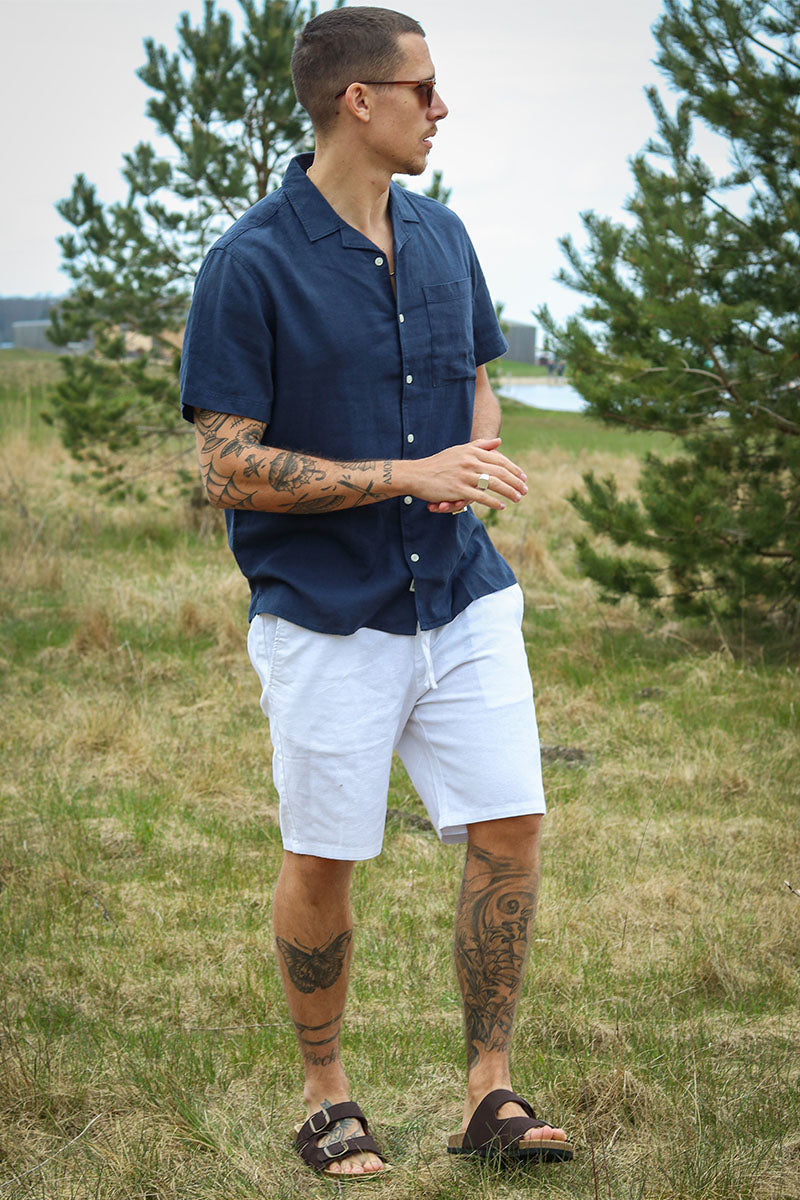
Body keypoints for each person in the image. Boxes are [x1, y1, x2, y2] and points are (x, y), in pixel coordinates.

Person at [180, 5, 572, 1178]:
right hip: (324, 613)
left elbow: (477, 380)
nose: (439, 108)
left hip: (461, 592)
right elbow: (225, 465)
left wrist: (473, 459)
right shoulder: (249, 263)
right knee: (325, 854)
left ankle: (488, 1093)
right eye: (422, 88)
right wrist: (407, 474)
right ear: (359, 100)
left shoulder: (443, 237)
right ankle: (325, 1098)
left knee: (509, 827)